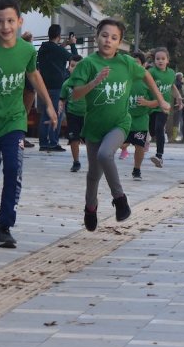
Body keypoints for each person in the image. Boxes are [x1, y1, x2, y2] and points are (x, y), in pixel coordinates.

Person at [0, 0, 56, 249]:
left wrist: (48, 103)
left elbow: (34, 75)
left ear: (19, 22)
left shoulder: (27, 50)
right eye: (0, 22)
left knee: (14, 170)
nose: (6, 27)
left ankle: (4, 226)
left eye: (10, 21)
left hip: (14, 120)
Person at [66, 19, 169, 232]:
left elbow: (147, 76)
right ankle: (90, 207)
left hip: (120, 124)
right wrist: (94, 82)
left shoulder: (126, 63)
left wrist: (160, 100)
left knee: (105, 155)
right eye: (104, 35)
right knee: (94, 174)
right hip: (94, 127)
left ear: (120, 42)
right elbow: (75, 95)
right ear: (97, 37)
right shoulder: (87, 64)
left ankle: (120, 199)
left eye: (114, 38)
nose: (108, 40)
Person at [36, 24, 71, 152]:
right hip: (57, 86)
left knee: (45, 114)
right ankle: (53, 142)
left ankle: (43, 143)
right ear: (59, 36)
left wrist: (64, 44)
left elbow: (56, 50)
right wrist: (71, 44)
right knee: (56, 114)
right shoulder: (58, 49)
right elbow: (73, 58)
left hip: (44, 85)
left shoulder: (43, 48)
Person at [123, 51, 157, 180]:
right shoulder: (124, 80)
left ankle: (136, 170)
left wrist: (146, 102)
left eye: (136, 64)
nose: (133, 67)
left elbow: (156, 101)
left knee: (139, 146)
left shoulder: (147, 82)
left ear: (143, 65)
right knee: (118, 144)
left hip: (140, 120)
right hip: (124, 119)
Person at [146, 47, 182, 168]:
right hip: (151, 105)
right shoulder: (151, 72)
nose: (160, 61)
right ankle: (149, 137)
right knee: (152, 129)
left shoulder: (171, 73)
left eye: (163, 59)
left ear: (167, 60)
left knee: (159, 127)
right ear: (154, 60)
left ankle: (159, 156)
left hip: (164, 107)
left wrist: (178, 97)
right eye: (157, 59)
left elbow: (172, 86)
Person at [58, 54, 85, 172]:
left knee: (91, 140)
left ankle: (95, 162)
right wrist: (60, 107)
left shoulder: (88, 83)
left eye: (78, 66)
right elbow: (62, 99)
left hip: (88, 115)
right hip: (73, 114)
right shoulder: (66, 84)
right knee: (74, 139)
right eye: (73, 66)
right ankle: (76, 161)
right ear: (69, 68)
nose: (75, 69)